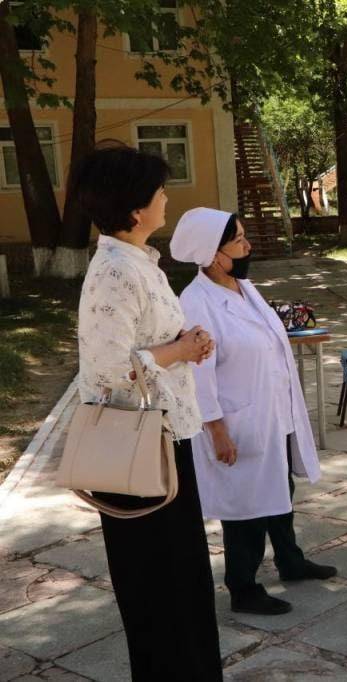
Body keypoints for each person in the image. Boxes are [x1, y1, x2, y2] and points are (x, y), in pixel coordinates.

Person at [72, 143, 222, 679]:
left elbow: (145, 343)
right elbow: (108, 371)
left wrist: (185, 343)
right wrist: (178, 350)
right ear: (136, 210)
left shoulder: (141, 262)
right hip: (136, 447)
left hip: (166, 436)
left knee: (184, 580)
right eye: (160, 191)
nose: (167, 199)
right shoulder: (115, 271)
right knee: (158, 588)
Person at [170, 208, 337, 616]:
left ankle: (290, 560)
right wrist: (217, 430)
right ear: (213, 254)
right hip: (236, 419)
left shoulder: (243, 286)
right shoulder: (196, 302)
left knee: (280, 487)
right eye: (239, 240)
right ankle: (243, 587)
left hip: (271, 411)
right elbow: (198, 374)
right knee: (245, 507)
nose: (248, 246)